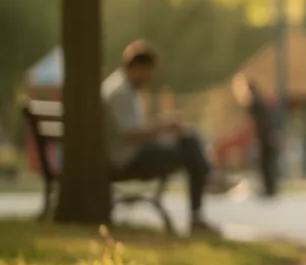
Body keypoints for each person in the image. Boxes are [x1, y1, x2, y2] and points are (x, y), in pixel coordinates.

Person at [102, 41, 238, 235]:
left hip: (129, 154)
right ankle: (205, 189)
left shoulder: (123, 88)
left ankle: (207, 178)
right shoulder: (120, 92)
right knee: (188, 146)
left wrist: (164, 127)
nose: (151, 77)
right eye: (149, 71)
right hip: (126, 160)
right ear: (138, 67)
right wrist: (162, 125)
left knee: (187, 138)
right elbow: (130, 135)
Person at [232, 74, 280, 198]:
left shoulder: (254, 100)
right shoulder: (259, 98)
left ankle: (270, 188)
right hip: (268, 134)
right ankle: (270, 188)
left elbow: (251, 120)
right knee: (267, 161)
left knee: (266, 162)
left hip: (266, 134)